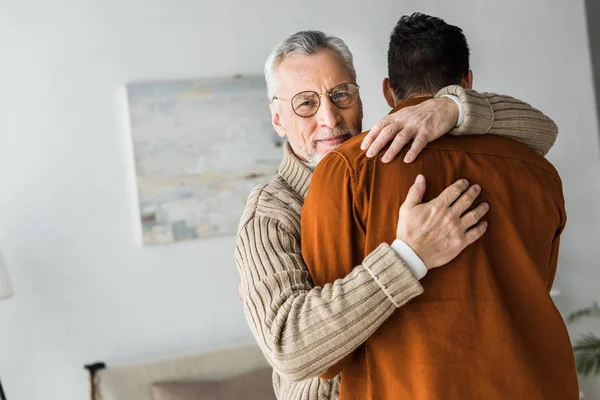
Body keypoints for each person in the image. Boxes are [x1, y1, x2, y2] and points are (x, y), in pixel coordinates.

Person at [236, 30, 561, 400]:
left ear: (363, 95)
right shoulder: (271, 212)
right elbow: (289, 348)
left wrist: (452, 109)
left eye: (340, 94)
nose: (330, 118)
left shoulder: (387, 156)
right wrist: (408, 256)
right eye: (306, 104)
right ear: (278, 119)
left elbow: (543, 132)